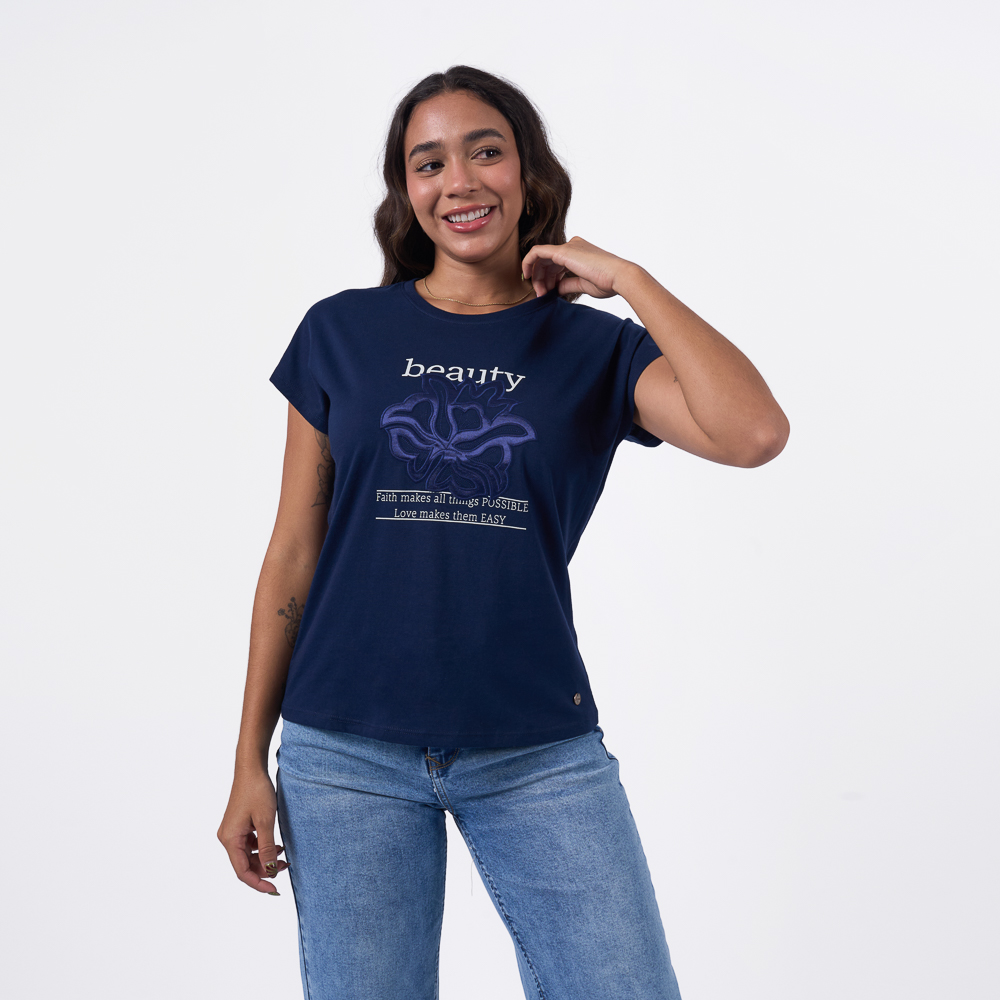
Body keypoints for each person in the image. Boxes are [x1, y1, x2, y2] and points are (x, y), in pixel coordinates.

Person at [217, 64, 789, 1000]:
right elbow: (292, 553)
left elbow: (754, 434)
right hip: (344, 752)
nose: (460, 181)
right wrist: (248, 758)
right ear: (407, 191)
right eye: (429, 162)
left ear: (528, 171)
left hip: (536, 748)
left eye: (485, 152)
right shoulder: (341, 333)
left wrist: (630, 280)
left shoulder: (595, 348)